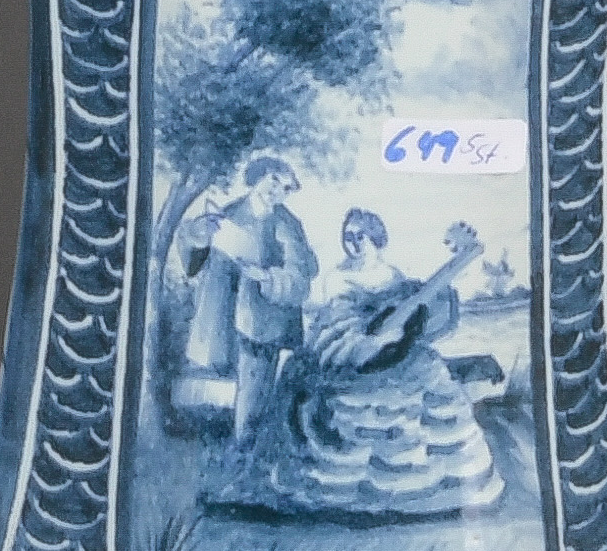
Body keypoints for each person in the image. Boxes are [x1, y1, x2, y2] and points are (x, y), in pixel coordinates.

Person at [210, 213, 510, 519]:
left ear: (376, 238)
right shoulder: (336, 277)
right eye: (348, 236)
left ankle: (415, 480)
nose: (353, 243)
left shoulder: (392, 275)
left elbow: (408, 315)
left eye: (360, 236)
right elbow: (336, 319)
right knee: (307, 380)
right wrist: (359, 340)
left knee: (426, 371)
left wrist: (394, 334)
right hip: (345, 343)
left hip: (391, 353)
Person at [163, 154, 316, 436]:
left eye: (286, 187)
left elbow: (300, 281)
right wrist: (199, 236)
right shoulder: (228, 213)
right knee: (221, 393)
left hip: (262, 325)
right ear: (258, 176)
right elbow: (194, 265)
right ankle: (224, 445)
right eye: (274, 180)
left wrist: (267, 277)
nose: (277, 190)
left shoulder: (287, 225)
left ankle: (246, 451)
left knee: (252, 403)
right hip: (222, 315)